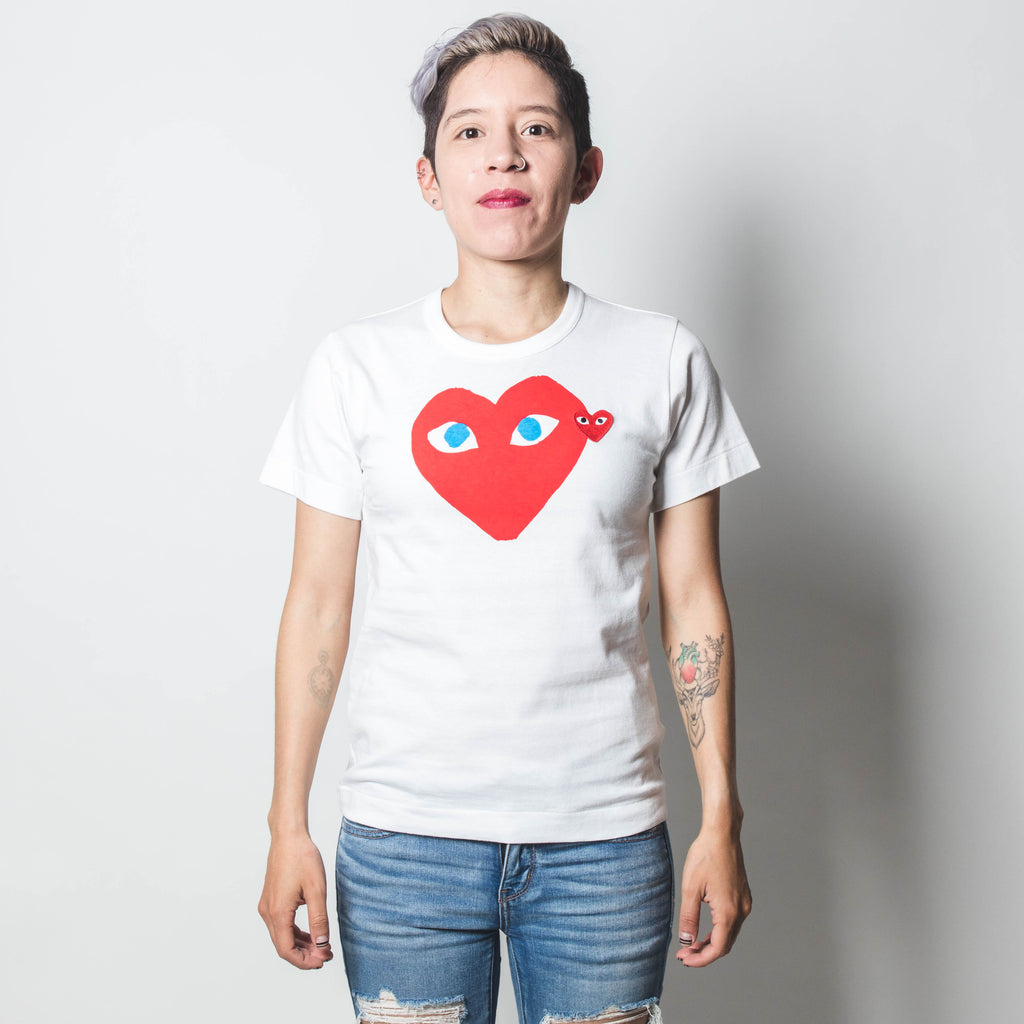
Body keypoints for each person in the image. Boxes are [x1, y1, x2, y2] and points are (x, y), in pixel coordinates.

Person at [257, 12, 758, 1024]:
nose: (504, 155)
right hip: (402, 843)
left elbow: (693, 601)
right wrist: (286, 823)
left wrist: (721, 817)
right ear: (429, 176)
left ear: (586, 168)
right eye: (471, 131)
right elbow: (317, 605)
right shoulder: (357, 368)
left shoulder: (661, 360)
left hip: (604, 843)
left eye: (537, 128)